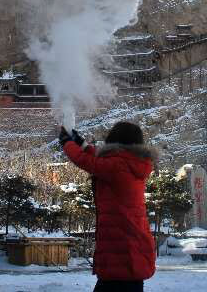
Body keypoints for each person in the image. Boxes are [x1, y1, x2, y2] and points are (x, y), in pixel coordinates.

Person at [59, 121, 158, 292]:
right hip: (130, 245)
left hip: (122, 248)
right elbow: (100, 158)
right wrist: (81, 143)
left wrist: (67, 143)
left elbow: (85, 161)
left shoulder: (117, 166)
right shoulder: (131, 163)